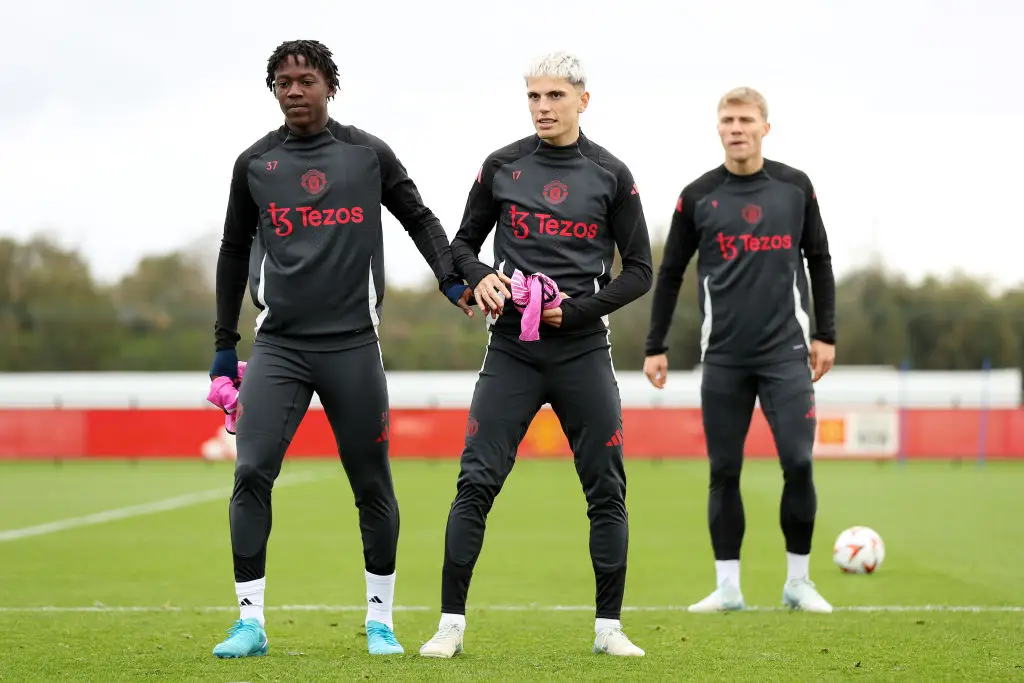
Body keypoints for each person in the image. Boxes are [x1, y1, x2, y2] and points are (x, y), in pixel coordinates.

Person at [208, 39, 473, 659]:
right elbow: (229, 252)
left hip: (354, 346)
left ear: (331, 85)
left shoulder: (367, 155)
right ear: (272, 90)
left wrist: (450, 278)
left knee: (371, 484)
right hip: (280, 348)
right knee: (250, 472)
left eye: (305, 79)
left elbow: (420, 217)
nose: (294, 90)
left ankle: (379, 622)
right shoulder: (255, 164)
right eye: (282, 81)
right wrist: (225, 346)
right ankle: (250, 622)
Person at [418, 51, 653, 659]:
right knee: (475, 483)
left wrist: (573, 310)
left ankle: (609, 629)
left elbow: (641, 272)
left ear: (583, 99)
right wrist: (481, 279)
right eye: (533, 97)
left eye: (554, 96)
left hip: (582, 352)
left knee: (606, 489)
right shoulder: (502, 166)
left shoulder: (611, 173)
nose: (543, 107)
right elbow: (463, 245)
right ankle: (449, 625)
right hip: (511, 355)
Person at [642, 87, 837, 614]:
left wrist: (827, 334)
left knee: (798, 462)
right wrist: (655, 344)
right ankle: (728, 588)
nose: (736, 127)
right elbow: (671, 272)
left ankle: (799, 581)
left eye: (746, 119)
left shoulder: (795, 188)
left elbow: (819, 260)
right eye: (727, 119)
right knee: (724, 470)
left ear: (764, 128)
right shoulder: (697, 195)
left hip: (786, 355)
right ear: (719, 127)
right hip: (724, 357)